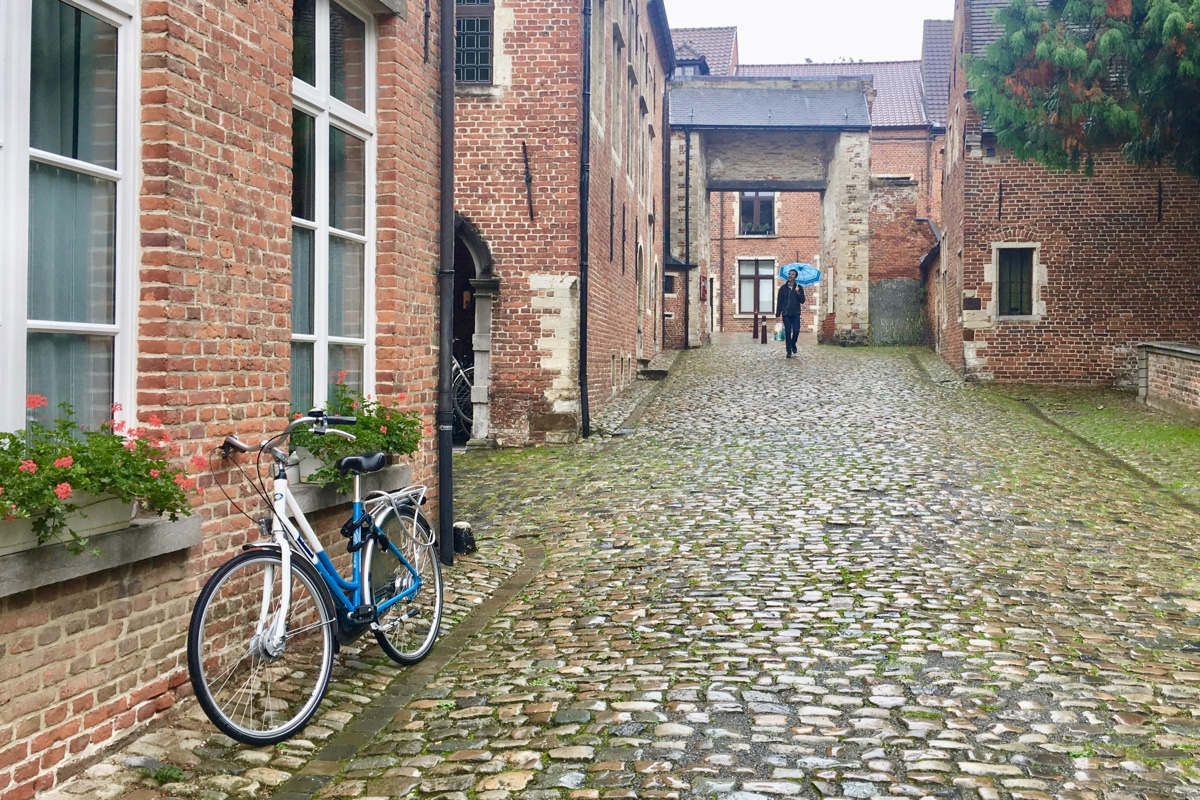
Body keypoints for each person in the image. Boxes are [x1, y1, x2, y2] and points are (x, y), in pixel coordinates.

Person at [775, 269, 806, 358]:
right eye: (789, 274)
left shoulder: (799, 288)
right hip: (786, 314)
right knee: (788, 332)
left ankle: (793, 343)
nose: (790, 275)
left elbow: (802, 300)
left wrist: (798, 292)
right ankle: (789, 351)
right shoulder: (783, 288)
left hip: (796, 313)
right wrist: (778, 314)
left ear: (795, 277)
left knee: (796, 330)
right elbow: (779, 302)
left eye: (792, 274)